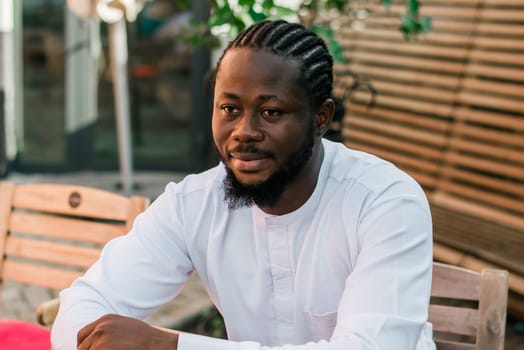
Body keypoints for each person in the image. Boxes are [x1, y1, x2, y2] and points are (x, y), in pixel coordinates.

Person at [51, 19, 436, 350]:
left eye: (270, 112)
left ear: (321, 118)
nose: (244, 132)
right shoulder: (193, 203)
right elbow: (86, 302)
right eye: (230, 109)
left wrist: (170, 344)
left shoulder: (385, 202)